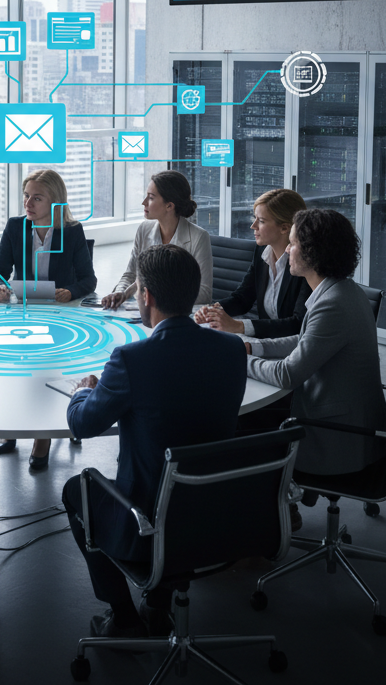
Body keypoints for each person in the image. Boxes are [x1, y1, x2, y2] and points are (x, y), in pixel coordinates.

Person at [63, 245, 246, 639]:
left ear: (145, 296)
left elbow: (82, 424)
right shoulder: (232, 350)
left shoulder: (131, 359)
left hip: (148, 522)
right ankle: (159, 604)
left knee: (76, 491)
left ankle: (124, 618)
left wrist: (83, 391)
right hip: (221, 514)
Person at [244, 208, 386, 477]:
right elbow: (304, 340)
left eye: (293, 243)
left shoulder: (332, 305)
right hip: (346, 420)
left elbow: (287, 374)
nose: (287, 250)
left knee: (244, 430)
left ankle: (276, 510)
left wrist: (237, 358)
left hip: (338, 438)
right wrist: (254, 347)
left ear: (313, 251)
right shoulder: (342, 290)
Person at [0, 169, 97, 469]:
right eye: (26, 196)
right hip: (23, 313)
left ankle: (43, 438)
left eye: (37, 197)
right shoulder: (15, 227)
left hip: (61, 317)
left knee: (48, 375)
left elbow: (89, 280)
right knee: (16, 373)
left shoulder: (72, 232)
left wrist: (69, 291)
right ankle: (11, 428)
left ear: (55, 202)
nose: (28, 203)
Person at [196, 188, 311, 340]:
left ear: (284, 228)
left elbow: (298, 324)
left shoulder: (305, 263)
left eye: (261, 221)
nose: (253, 226)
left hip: (289, 346)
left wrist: (240, 326)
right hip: (263, 340)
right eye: (255, 218)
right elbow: (243, 298)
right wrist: (213, 310)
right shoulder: (262, 251)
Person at [101, 170, 212, 309]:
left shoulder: (199, 237)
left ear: (169, 206)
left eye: (151, 198)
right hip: (144, 311)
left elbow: (205, 293)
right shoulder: (144, 229)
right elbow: (130, 274)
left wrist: (157, 298)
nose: (143, 203)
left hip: (177, 313)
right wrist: (120, 292)